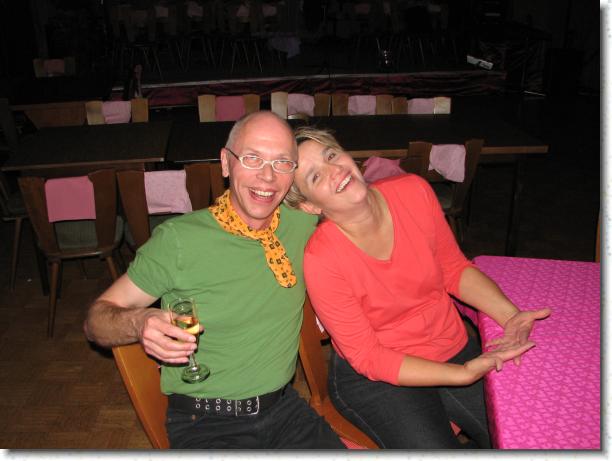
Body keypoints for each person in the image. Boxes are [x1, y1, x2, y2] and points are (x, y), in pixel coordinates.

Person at [84, 112, 345, 449]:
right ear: (225, 162)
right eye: (252, 158)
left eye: (281, 162)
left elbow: (364, 206)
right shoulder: (179, 240)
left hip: (286, 411)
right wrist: (139, 321)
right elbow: (95, 321)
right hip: (207, 423)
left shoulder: (301, 221)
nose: (267, 177)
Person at [284, 126, 551, 449]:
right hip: (378, 377)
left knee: (526, 437)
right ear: (310, 206)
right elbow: (368, 356)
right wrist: (462, 373)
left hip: (448, 343)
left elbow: (453, 269)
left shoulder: (413, 191)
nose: (334, 170)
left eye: (331, 155)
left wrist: (510, 315)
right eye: (315, 176)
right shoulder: (322, 258)